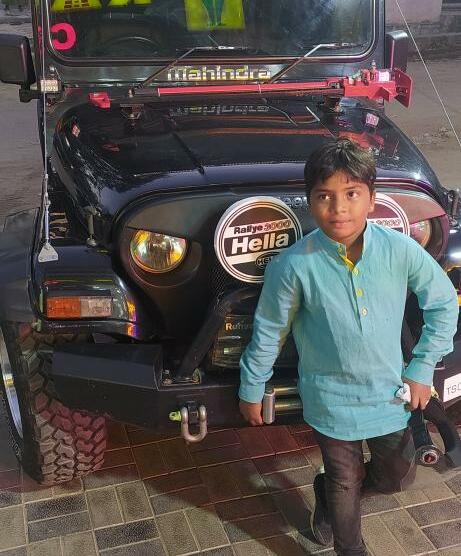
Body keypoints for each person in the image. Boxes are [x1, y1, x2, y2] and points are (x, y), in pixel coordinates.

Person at [238, 137, 459, 556]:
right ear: (310, 202)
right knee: (345, 479)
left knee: (397, 476)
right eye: (325, 196)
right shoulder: (294, 265)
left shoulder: (399, 250)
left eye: (352, 194)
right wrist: (252, 387)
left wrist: (422, 365)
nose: (338, 208)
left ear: (372, 200)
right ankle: (348, 544)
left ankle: (326, 494)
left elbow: (444, 302)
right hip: (331, 399)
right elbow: (270, 329)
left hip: (390, 395)